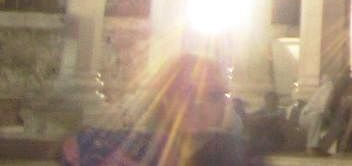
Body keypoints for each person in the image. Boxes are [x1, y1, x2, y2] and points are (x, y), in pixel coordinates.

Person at [60, 53, 247, 166]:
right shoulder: (139, 143)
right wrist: (75, 144)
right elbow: (80, 143)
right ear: (166, 99)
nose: (199, 103)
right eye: (188, 93)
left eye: (213, 95)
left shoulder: (233, 151)